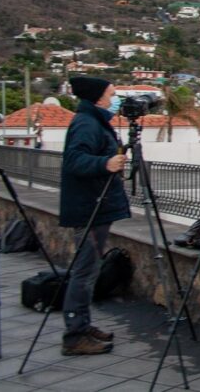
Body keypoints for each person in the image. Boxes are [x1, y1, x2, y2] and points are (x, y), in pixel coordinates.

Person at [60, 76, 130, 356]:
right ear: (98, 97)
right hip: (89, 207)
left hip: (95, 206)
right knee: (84, 272)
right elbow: (74, 160)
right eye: (112, 93)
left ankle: (82, 325)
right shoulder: (86, 123)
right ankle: (74, 334)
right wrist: (105, 162)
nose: (115, 98)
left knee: (89, 270)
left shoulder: (93, 121)